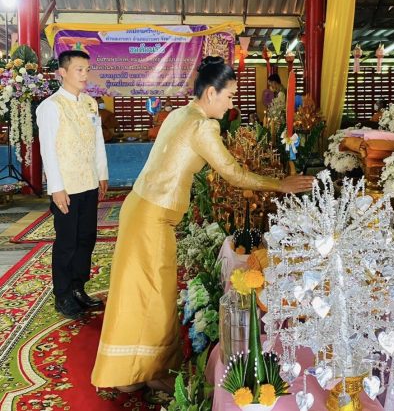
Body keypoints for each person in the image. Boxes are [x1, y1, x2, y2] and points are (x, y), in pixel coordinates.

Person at [91, 56, 313, 393]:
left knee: (140, 292)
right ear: (211, 93)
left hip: (141, 209)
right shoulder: (201, 125)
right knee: (156, 295)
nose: (231, 104)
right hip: (152, 216)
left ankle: (135, 372)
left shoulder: (181, 113)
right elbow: (233, 173)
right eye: (229, 96)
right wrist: (280, 184)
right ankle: (148, 371)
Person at [36, 50, 109, 320]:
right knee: (66, 242)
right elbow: (48, 151)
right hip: (66, 187)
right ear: (62, 73)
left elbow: (97, 141)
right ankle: (63, 294)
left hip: (88, 182)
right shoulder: (51, 107)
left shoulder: (90, 103)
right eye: (79, 69)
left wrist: (102, 173)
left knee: (86, 238)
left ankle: (78, 288)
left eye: (87, 69)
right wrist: (56, 187)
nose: (84, 75)